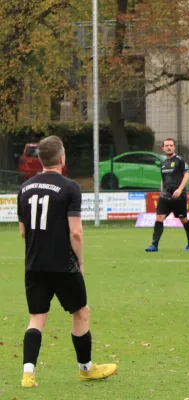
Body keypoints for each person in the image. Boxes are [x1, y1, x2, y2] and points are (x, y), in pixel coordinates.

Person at [17, 136, 118, 388]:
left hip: (34, 263)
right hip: (63, 264)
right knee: (81, 312)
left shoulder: (24, 187)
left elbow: (22, 231)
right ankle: (86, 369)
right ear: (62, 158)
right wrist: (80, 262)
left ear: (41, 159)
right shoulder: (70, 187)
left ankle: (28, 374)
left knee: (37, 317)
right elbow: (76, 232)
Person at [145, 138, 189, 252]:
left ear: (174, 147)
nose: (169, 147)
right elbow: (163, 179)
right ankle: (154, 245)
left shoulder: (179, 160)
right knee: (159, 218)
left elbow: (187, 175)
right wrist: (161, 191)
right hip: (165, 196)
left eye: (171, 145)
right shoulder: (163, 163)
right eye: (166, 145)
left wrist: (179, 189)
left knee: (183, 219)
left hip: (178, 196)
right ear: (163, 148)